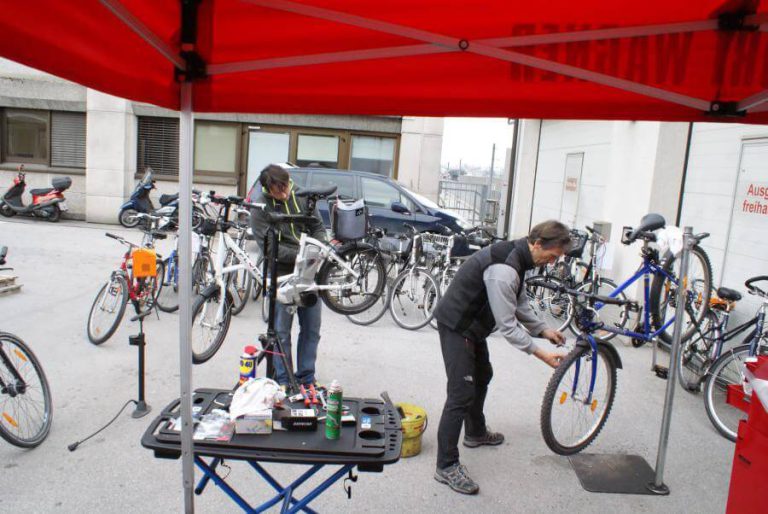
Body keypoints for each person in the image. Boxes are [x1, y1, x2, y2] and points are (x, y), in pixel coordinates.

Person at [432, 220, 572, 495]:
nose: (552, 263)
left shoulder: (520, 258)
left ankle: (475, 433)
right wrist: (540, 353)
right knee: (460, 393)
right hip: (457, 325)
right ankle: (446, 465)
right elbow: (507, 325)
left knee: (483, 375)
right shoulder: (505, 269)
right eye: (552, 256)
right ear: (538, 244)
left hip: (474, 327)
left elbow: (519, 303)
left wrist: (543, 329)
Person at [249, 164, 327, 388]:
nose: (283, 194)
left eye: (285, 188)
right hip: (282, 273)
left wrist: (318, 248)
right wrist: (302, 255)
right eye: (277, 191)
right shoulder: (260, 207)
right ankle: (284, 380)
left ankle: (306, 378)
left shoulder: (300, 195)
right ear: (267, 189)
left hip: (309, 271)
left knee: (311, 328)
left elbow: (319, 227)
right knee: (281, 331)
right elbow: (269, 247)